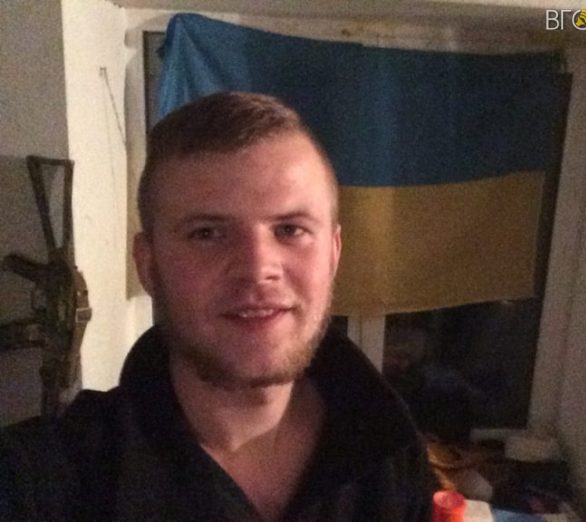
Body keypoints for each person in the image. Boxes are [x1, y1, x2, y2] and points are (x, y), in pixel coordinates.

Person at [0, 92, 433, 521]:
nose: (257, 268)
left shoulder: (395, 457)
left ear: (333, 253)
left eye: (290, 229)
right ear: (148, 264)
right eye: (207, 233)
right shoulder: (41, 479)